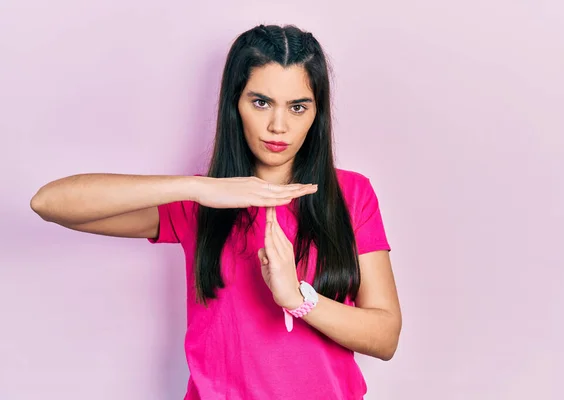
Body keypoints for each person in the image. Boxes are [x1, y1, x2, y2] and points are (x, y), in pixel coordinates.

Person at [30, 24, 402, 400]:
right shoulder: (200, 204)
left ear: (316, 113)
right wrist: (199, 186)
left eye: (297, 107)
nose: (278, 125)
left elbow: (386, 337)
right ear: (234, 103)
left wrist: (297, 299)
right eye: (261, 102)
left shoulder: (351, 194)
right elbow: (49, 203)